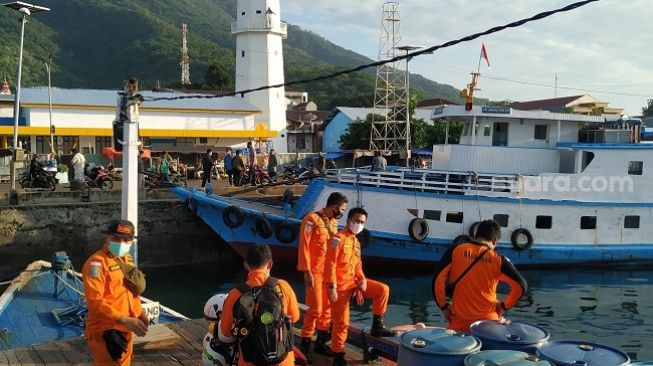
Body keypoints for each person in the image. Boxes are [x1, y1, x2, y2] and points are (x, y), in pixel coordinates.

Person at [326, 207, 395, 366]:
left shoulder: (355, 242)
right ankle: (338, 354)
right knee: (341, 322)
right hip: (339, 286)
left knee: (382, 290)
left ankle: (377, 325)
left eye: (362, 222)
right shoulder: (338, 239)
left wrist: (362, 279)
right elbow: (329, 265)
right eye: (356, 221)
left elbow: (357, 265)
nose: (358, 224)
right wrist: (331, 287)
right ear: (349, 220)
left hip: (353, 283)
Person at [432, 219, 527, 333]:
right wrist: (503, 306)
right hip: (488, 323)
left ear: (475, 235)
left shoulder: (456, 250)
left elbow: (437, 280)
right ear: (495, 241)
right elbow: (521, 286)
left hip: (460, 322)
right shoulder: (499, 260)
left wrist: (443, 306)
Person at [218, 244, 300, 366]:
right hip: (283, 360)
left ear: (246, 265)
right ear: (270, 264)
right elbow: (295, 317)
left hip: (249, 361)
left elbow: (225, 334)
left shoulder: (236, 294)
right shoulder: (283, 287)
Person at [82, 220, 148, 365]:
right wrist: (123, 319)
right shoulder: (96, 264)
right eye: (116, 238)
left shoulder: (127, 259)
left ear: (131, 240)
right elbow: (95, 301)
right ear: (108, 238)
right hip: (105, 330)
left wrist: (140, 313)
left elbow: (130, 292)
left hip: (125, 327)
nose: (121, 243)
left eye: (126, 239)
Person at [297, 192, 348, 362]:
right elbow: (304, 246)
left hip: (329, 274)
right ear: (333, 206)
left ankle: (319, 342)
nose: (341, 212)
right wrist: (306, 272)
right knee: (315, 308)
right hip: (315, 272)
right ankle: (305, 342)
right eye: (341, 209)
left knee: (327, 309)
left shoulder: (334, 223)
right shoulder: (311, 220)